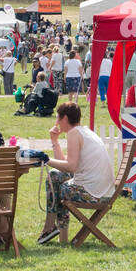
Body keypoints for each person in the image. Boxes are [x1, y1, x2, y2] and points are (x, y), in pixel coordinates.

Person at [39, 102, 115, 245]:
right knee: (54, 176)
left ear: (65, 118)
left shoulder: (74, 133)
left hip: (96, 193)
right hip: (103, 188)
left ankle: (50, 228)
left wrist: (46, 160)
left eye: (58, 119)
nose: (57, 122)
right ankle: (56, 233)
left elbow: (71, 166)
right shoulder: (83, 131)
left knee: (61, 189)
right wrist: (54, 141)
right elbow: (65, 163)